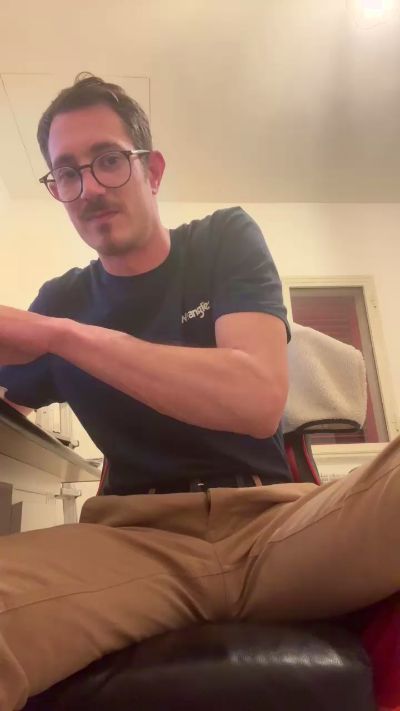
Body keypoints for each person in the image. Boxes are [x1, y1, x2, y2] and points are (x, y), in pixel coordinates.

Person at [0, 73, 398, 711]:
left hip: (280, 529)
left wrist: (64, 336)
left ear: (152, 170)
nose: (89, 188)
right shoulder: (62, 298)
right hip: (133, 543)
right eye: (66, 173)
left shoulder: (221, 240)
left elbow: (255, 400)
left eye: (108, 160)